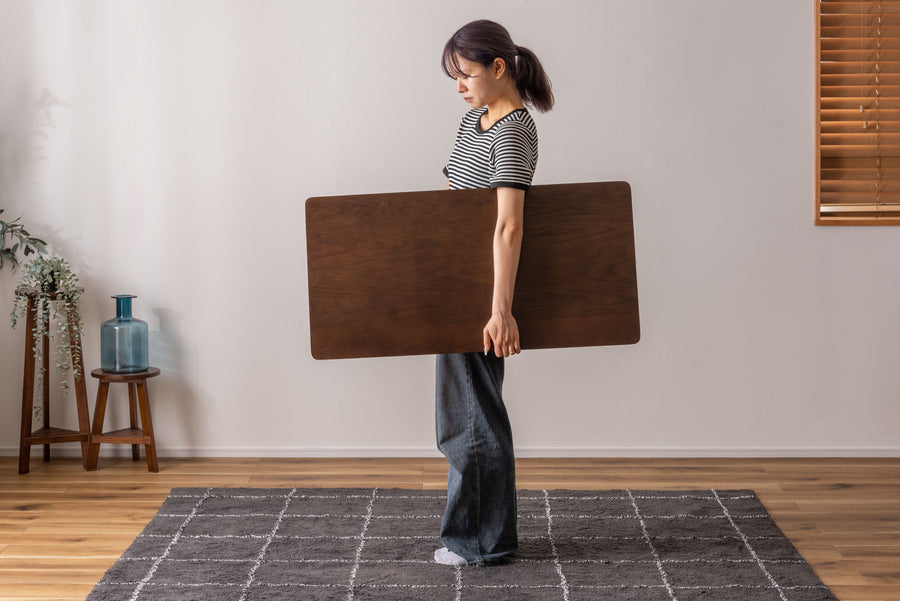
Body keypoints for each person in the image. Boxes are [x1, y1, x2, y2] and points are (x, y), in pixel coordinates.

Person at [434, 19, 554, 567]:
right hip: (455, 285)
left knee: (476, 416)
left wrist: (499, 310)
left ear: (498, 68)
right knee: (459, 415)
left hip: (486, 294)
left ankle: (483, 542)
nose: (459, 85)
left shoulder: (512, 131)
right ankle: (472, 535)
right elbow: (457, 206)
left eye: (466, 74)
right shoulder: (473, 121)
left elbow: (508, 226)